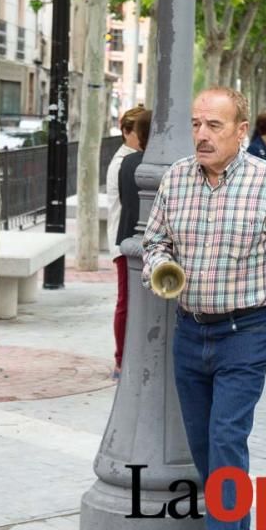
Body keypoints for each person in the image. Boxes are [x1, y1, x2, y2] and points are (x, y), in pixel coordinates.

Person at [142, 86, 266, 530]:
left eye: (214, 126)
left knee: (226, 442)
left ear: (242, 131)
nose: (201, 135)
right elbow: (155, 240)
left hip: (246, 333)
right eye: (196, 124)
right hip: (189, 332)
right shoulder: (176, 178)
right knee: (207, 452)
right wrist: (159, 265)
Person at [105, 106, 146, 379]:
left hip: (125, 238)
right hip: (123, 242)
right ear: (126, 133)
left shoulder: (132, 159)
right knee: (126, 301)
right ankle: (120, 358)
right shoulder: (125, 162)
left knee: (129, 301)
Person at [115, 108, 151, 274]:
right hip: (151, 243)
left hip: (128, 238)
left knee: (127, 296)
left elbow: (124, 199)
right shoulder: (166, 165)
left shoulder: (127, 161)